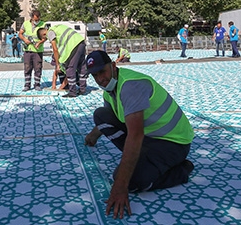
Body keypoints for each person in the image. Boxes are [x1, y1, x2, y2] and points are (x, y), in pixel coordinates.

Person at [84, 50, 195, 219]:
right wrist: (93, 135)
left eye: (102, 71)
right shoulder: (110, 88)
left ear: (113, 66)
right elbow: (110, 115)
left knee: (132, 181)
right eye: (95, 75)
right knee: (101, 115)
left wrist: (120, 186)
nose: (100, 79)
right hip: (151, 137)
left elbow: (135, 136)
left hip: (173, 142)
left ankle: (182, 170)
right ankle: (144, 160)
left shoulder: (130, 86)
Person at [38, 24, 87, 98]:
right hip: (81, 42)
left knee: (70, 69)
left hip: (73, 46)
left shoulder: (50, 32)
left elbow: (55, 48)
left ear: (44, 34)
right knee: (81, 66)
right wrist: (54, 85)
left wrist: (57, 64)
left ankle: (72, 92)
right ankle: (83, 89)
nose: (48, 40)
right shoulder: (57, 27)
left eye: (45, 38)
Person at [18, 10, 46, 91]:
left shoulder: (43, 24)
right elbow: (20, 33)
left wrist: (40, 42)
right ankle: (27, 84)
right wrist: (24, 39)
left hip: (37, 51)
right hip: (28, 50)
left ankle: (37, 84)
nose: (37, 21)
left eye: (38, 19)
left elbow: (45, 37)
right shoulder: (26, 24)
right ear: (32, 18)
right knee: (27, 67)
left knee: (38, 68)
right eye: (35, 20)